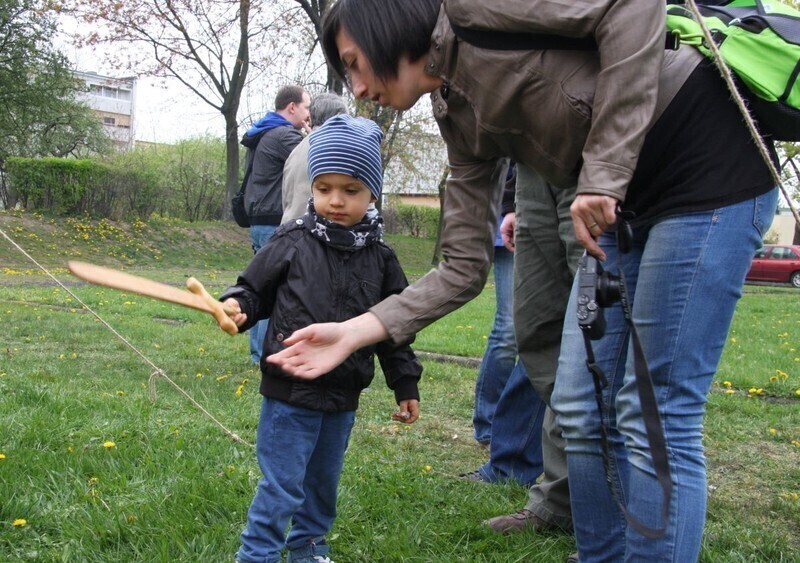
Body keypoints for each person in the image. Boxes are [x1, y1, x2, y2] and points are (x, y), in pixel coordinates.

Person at [267, 1, 777, 561]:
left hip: (704, 162)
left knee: (654, 408)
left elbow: (635, 7)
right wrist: (357, 331)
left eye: (355, 63)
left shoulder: (474, 9)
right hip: (617, 205)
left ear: (385, 30)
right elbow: (461, 268)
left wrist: (602, 174)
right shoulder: (455, 116)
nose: (357, 88)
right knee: (582, 410)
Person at [220, 114, 422, 563]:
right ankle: (257, 554)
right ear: (311, 187)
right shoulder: (291, 239)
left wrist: (405, 382)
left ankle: (309, 548)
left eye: (350, 190)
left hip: (344, 393)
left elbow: (394, 327)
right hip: (290, 391)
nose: (335, 200)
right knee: (282, 485)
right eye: (324, 188)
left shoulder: (382, 257)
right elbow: (253, 289)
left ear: (373, 193)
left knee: (322, 485)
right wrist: (238, 307)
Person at [464, 165, 546, 487]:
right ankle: (488, 425)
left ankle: (515, 433)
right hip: (514, 218)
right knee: (509, 329)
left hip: (548, 215)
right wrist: (511, 206)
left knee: (533, 331)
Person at [241, 84, 312, 364]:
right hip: (272, 221)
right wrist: (312, 134)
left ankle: (259, 353)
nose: (308, 115)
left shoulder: (263, 131)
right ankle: (263, 354)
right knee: (274, 289)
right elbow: (315, 158)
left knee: (262, 285)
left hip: (259, 220)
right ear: (292, 107)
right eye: (307, 107)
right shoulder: (285, 135)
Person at [281, 93, 349, 224]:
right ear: (340, 116)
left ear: (311, 118)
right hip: (314, 234)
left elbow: (286, 199)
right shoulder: (338, 147)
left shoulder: (296, 150)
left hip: (289, 231)